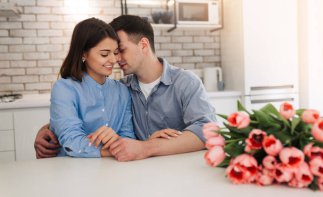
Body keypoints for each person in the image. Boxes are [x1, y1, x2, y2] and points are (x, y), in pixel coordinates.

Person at [34, 15, 216, 161]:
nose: (115, 58)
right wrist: (49, 130)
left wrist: (145, 147)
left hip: (179, 170)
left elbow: (208, 130)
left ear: (143, 45)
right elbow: (83, 116)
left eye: (119, 50)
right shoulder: (125, 87)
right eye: (109, 52)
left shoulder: (185, 82)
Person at [49, 17, 136, 158]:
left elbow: (128, 137)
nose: (113, 60)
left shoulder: (122, 91)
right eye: (104, 54)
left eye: (115, 53)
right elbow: (72, 141)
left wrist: (118, 140)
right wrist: (113, 150)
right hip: (73, 171)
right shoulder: (64, 89)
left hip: (115, 170)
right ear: (84, 53)